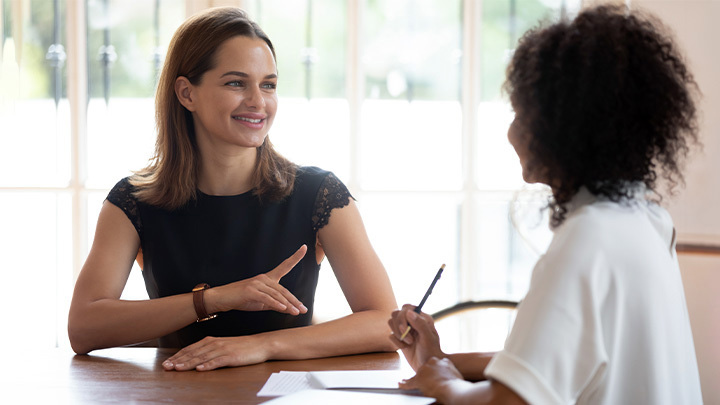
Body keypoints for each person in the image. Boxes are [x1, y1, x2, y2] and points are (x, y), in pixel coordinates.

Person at [388, 4, 703, 404]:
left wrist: (444, 383)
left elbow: (509, 401)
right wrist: (440, 359)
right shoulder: (649, 221)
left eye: (521, 112)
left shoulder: (587, 240)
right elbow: (551, 360)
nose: (511, 131)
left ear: (564, 128)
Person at [68, 7, 397, 371]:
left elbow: (386, 323)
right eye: (236, 83)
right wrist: (214, 300)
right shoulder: (134, 201)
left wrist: (261, 345)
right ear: (186, 93)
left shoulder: (319, 194)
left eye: (268, 84)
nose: (258, 102)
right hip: (176, 393)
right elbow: (83, 329)